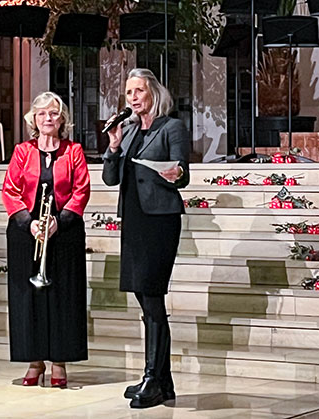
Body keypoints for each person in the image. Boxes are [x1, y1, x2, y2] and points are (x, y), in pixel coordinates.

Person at [101, 68, 191, 408]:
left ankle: (153, 377)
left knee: (152, 298)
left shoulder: (171, 127)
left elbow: (182, 174)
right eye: (128, 93)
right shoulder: (127, 131)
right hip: (134, 220)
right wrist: (113, 146)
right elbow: (110, 178)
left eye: (138, 91)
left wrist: (176, 173)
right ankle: (161, 381)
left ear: (153, 92)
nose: (133, 98)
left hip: (160, 220)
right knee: (144, 297)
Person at [1, 92, 91, 389]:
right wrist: (29, 223)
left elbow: (81, 190)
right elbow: (10, 190)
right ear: (34, 119)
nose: (47, 118)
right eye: (41, 113)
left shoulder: (73, 150)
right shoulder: (22, 151)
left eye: (53, 113)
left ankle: (59, 361)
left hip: (64, 231)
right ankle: (34, 360)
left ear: (62, 119)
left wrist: (58, 221)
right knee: (29, 299)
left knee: (63, 296)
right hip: (27, 232)